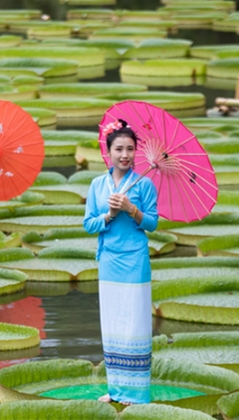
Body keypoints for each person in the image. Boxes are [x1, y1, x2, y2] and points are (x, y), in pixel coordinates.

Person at [82, 119, 158, 405]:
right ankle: (115, 390)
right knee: (112, 323)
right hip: (109, 259)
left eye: (130, 149)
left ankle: (136, 393)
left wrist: (131, 209)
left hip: (135, 259)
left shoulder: (145, 184)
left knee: (134, 323)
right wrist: (109, 216)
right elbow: (89, 224)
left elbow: (152, 223)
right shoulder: (97, 185)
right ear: (109, 151)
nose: (125, 155)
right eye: (119, 149)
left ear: (136, 152)